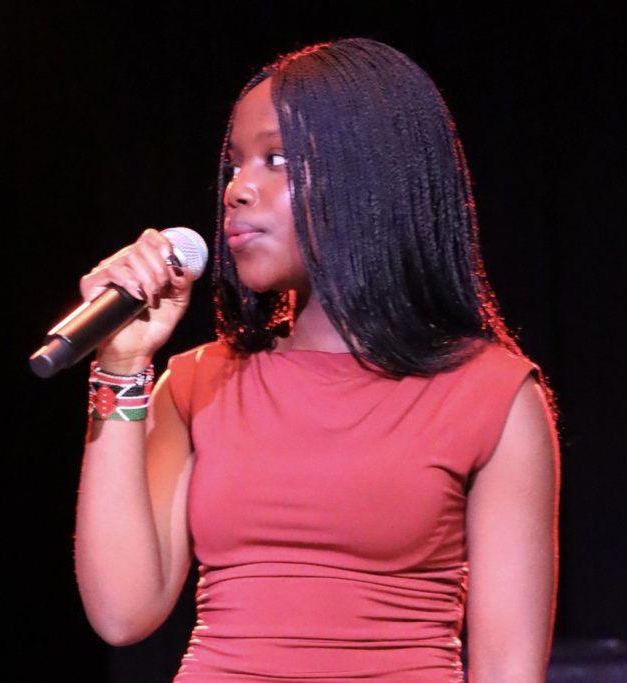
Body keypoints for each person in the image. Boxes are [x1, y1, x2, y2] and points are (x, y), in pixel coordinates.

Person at [73, 37, 560, 683]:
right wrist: (121, 364)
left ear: (372, 175)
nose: (237, 190)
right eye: (234, 165)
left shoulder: (491, 394)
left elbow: (506, 668)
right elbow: (121, 613)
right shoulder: (198, 383)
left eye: (276, 159)